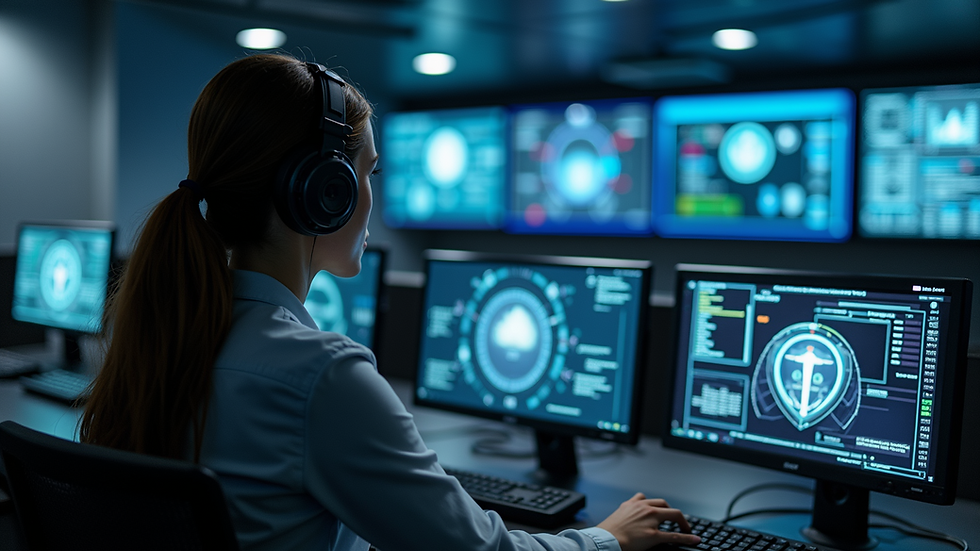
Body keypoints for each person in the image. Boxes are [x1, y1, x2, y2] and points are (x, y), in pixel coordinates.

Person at [79, 53, 701, 551]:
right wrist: (607, 539)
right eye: (366, 173)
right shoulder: (319, 375)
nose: (371, 197)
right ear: (324, 192)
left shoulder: (162, 338)